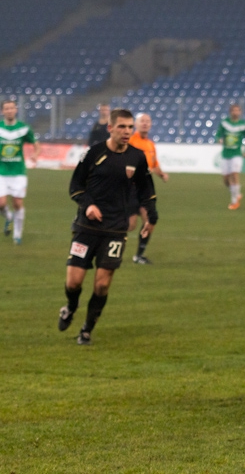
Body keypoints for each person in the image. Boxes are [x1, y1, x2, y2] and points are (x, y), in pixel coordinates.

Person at [59, 108, 158, 345]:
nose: (127, 131)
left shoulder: (137, 157)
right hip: (86, 227)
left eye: (130, 127)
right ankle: (71, 307)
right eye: (122, 127)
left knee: (102, 284)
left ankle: (86, 329)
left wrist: (150, 218)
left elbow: (147, 191)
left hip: (116, 229)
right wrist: (89, 205)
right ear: (110, 128)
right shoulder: (93, 153)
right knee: (74, 282)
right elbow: (76, 186)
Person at [128, 112, 169, 265]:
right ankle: (106, 243)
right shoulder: (131, 141)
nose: (145, 123)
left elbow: (154, 164)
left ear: (151, 124)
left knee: (150, 221)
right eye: (142, 121)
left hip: (145, 188)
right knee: (130, 225)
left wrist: (162, 174)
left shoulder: (151, 144)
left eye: (147, 121)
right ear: (136, 124)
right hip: (130, 188)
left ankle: (139, 255)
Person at [1, 99, 41, 245]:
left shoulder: (24, 128)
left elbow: (36, 144)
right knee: (1, 203)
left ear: (16, 110)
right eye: (6, 108)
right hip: (1, 171)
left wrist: (35, 154)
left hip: (18, 171)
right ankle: (8, 217)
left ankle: (17, 235)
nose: (9, 110)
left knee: (17, 203)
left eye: (11, 108)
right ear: (2, 111)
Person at [215, 104, 245, 210]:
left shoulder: (243, 124)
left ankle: (234, 201)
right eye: (233, 110)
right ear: (230, 112)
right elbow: (218, 134)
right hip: (226, 153)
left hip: (237, 154)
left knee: (234, 175)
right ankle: (237, 193)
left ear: (240, 112)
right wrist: (219, 139)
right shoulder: (225, 123)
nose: (235, 112)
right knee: (226, 180)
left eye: (237, 110)